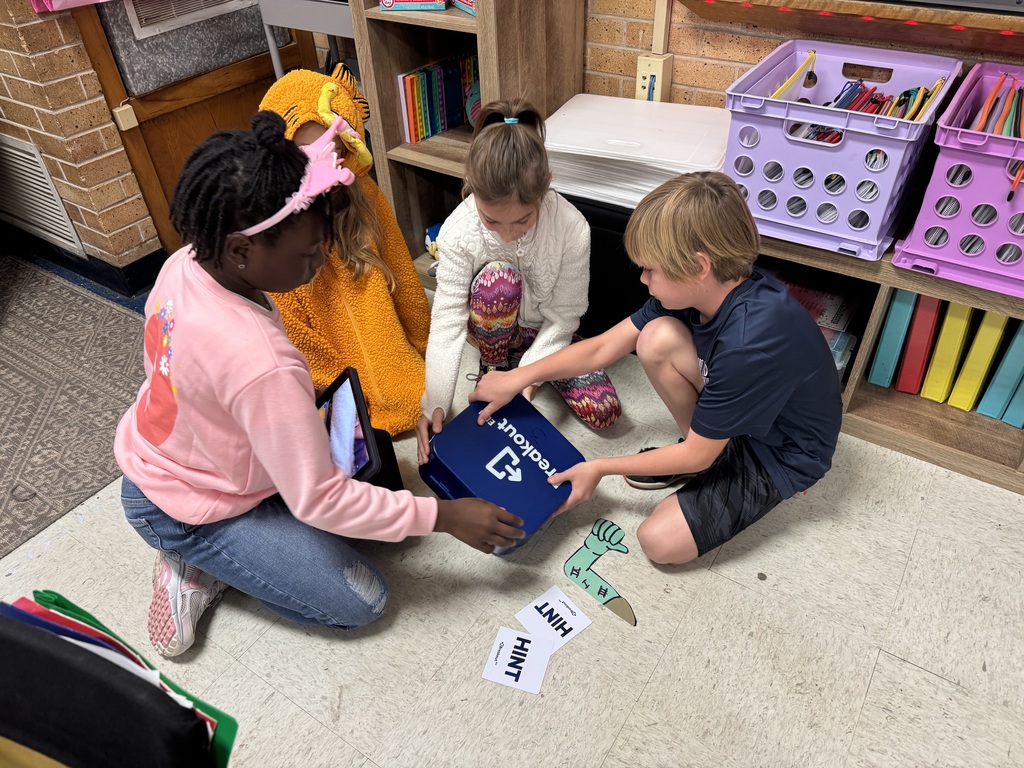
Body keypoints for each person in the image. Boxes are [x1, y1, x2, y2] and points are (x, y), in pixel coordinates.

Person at [114, 112, 523, 658]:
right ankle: (192, 560)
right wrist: (445, 516)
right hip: (182, 506)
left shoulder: (187, 262)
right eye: (308, 254)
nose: (319, 261)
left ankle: (242, 536)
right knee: (363, 600)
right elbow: (319, 499)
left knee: (369, 481)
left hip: (190, 458)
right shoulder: (261, 363)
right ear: (241, 250)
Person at [469, 171, 842, 565]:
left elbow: (696, 455)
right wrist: (518, 377)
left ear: (698, 266)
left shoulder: (749, 344)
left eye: (651, 269)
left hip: (780, 452)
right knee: (655, 337)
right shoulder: (709, 287)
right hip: (742, 408)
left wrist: (598, 468)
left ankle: (715, 453)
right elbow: (603, 347)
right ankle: (714, 449)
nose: (643, 278)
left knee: (658, 541)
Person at [416, 99, 622, 465]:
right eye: (491, 221)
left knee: (605, 411)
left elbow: (564, 318)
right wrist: (434, 403)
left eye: (523, 220)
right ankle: (494, 365)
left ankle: (512, 370)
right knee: (499, 278)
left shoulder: (573, 228)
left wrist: (526, 381)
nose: (508, 234)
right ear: (471, 188)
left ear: (545, 188)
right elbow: (447, 321)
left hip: (547, 332)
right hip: (492, 325)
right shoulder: (458, 231)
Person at [258, 65, 432, 436]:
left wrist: (425, 344)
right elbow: (293, 332)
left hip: (388, 356)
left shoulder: (364, 196)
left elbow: (402, 273)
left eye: (330, 153)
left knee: (423, 398)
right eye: (305, 158)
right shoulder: (276, 234)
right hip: (330, 378)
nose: (320, 174)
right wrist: (337, 393)